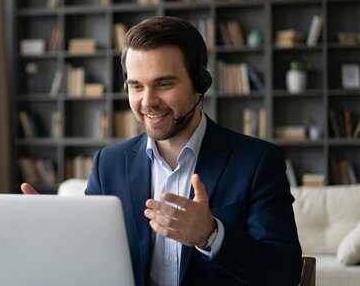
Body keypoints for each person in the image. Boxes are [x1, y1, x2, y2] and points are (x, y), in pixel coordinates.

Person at [22, 16, 302, 285]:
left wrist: (211, 235)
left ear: (200, 83)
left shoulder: (256, 162)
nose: (147, 101)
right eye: (136, 86)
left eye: (164, 83)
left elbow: (284, 273)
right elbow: (90, 258)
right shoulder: (109, 164)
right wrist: (53, 237)